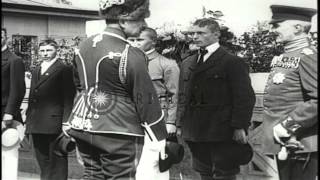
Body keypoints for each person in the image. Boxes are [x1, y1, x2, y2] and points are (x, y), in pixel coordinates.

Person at [63, 0, 168, 179]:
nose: (144, 24)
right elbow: (144, 96)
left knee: (92, 175)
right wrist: (159, 135)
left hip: (82, 124)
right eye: (140, 19)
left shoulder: (83, 46)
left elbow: (79, 85)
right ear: (123, 20)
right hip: (118, 129)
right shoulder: (130, 52)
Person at [176, 18, 256, 180]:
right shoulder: (188, 63)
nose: (195, 37)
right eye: (193, 33)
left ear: (216, 34)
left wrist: (239, 126)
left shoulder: (232, 62)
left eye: (201, 33)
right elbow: (183, 95)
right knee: (203, 172)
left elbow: (244, 97)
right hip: (195, 130)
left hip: (222, 130)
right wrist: (179, 123)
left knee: (224, 173)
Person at [261, 5, 317, 180]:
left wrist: (287, 126)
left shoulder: (307, 56)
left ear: (298, 28)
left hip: (300, 142)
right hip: (285, 141)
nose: (272, 30)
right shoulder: (287, 56)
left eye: (277, 25)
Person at [130, 27, 180, 180]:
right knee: (134, 161)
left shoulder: (167, 64)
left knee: (155, 161)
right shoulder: (128, 63)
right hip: (132, 118)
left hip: (158, 118)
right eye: (132, 40)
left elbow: (175, 95)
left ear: (153, 42)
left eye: (140, 40)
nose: (135, 43)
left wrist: (171, 121)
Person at [25, 39, 76, 180]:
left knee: (57, 161)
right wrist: (28, 120)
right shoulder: (36, 70)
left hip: (55, 122)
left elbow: (68, 97)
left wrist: (66, 122)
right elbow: (32, 98)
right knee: (43, 161)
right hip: (36, 122)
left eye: (49, 50)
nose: (45, 53)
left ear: (56, 51)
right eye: (42, 51)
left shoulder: (64, 69)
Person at [1, 27, 26, 180]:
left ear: (5, 38)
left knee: (8, 153)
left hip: (6, 114)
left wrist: (9, 113)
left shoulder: (14, 60)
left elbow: (18, 89)